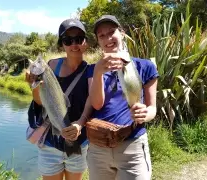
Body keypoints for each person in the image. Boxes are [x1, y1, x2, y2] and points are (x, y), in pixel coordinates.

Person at [87, 15, 159, 180]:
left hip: (132, 146)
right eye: (101, 36)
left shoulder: (145, 66)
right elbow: (97, 104)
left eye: (111, 32)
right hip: (99, 149)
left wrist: (145, 114)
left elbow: (152, 109)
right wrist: (99, 72)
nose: (108, 38)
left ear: (122, 33)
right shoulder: (93, 70)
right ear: (98, 41)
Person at [25, 19, 92, 180]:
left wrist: (80, 125)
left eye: (79, 39)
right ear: (62, 44)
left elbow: (94, 105)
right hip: (50, 144)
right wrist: (34, 86)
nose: (74, 44)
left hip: (78, 141)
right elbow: (40, 103)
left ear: (86, 42)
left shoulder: (91, 72)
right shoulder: (51, 67)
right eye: (68, 40)